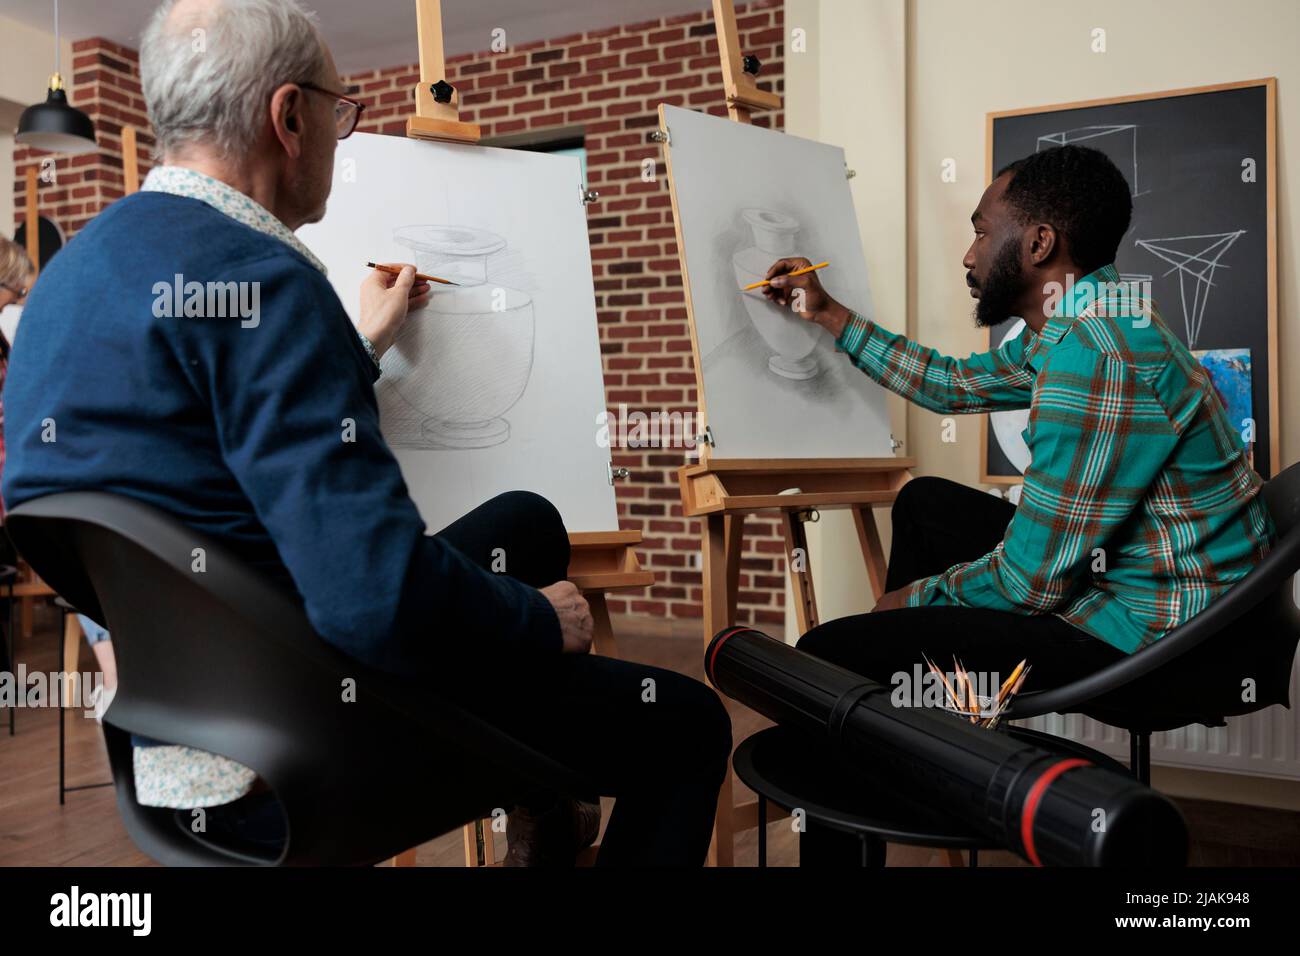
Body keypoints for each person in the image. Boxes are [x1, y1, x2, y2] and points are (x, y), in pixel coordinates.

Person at [2, 0, 730, 866]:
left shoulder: (73, 276)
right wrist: (535, 621)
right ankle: (542, 780)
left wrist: (355, 343)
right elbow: (373, 601)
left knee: (527, 524)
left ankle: (544, 815)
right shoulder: (267, 281)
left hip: (182, 721)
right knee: (687, 726)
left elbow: (186, 449)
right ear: (289, 116)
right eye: (339, 111)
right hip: (315, 718)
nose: (341, 137)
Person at [762, 145, 1275, 864]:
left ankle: (898, 745)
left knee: (828, 656)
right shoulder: (1091, 313)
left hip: (1167, 638)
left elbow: (1031, 581)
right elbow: (949, 384)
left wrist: (910, 603)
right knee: (927, 505)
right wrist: (829, 313)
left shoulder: (1096, 353)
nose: (970, 253)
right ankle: (925, 730)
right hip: (1160, 589)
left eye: (981, 229)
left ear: (1038, 244)